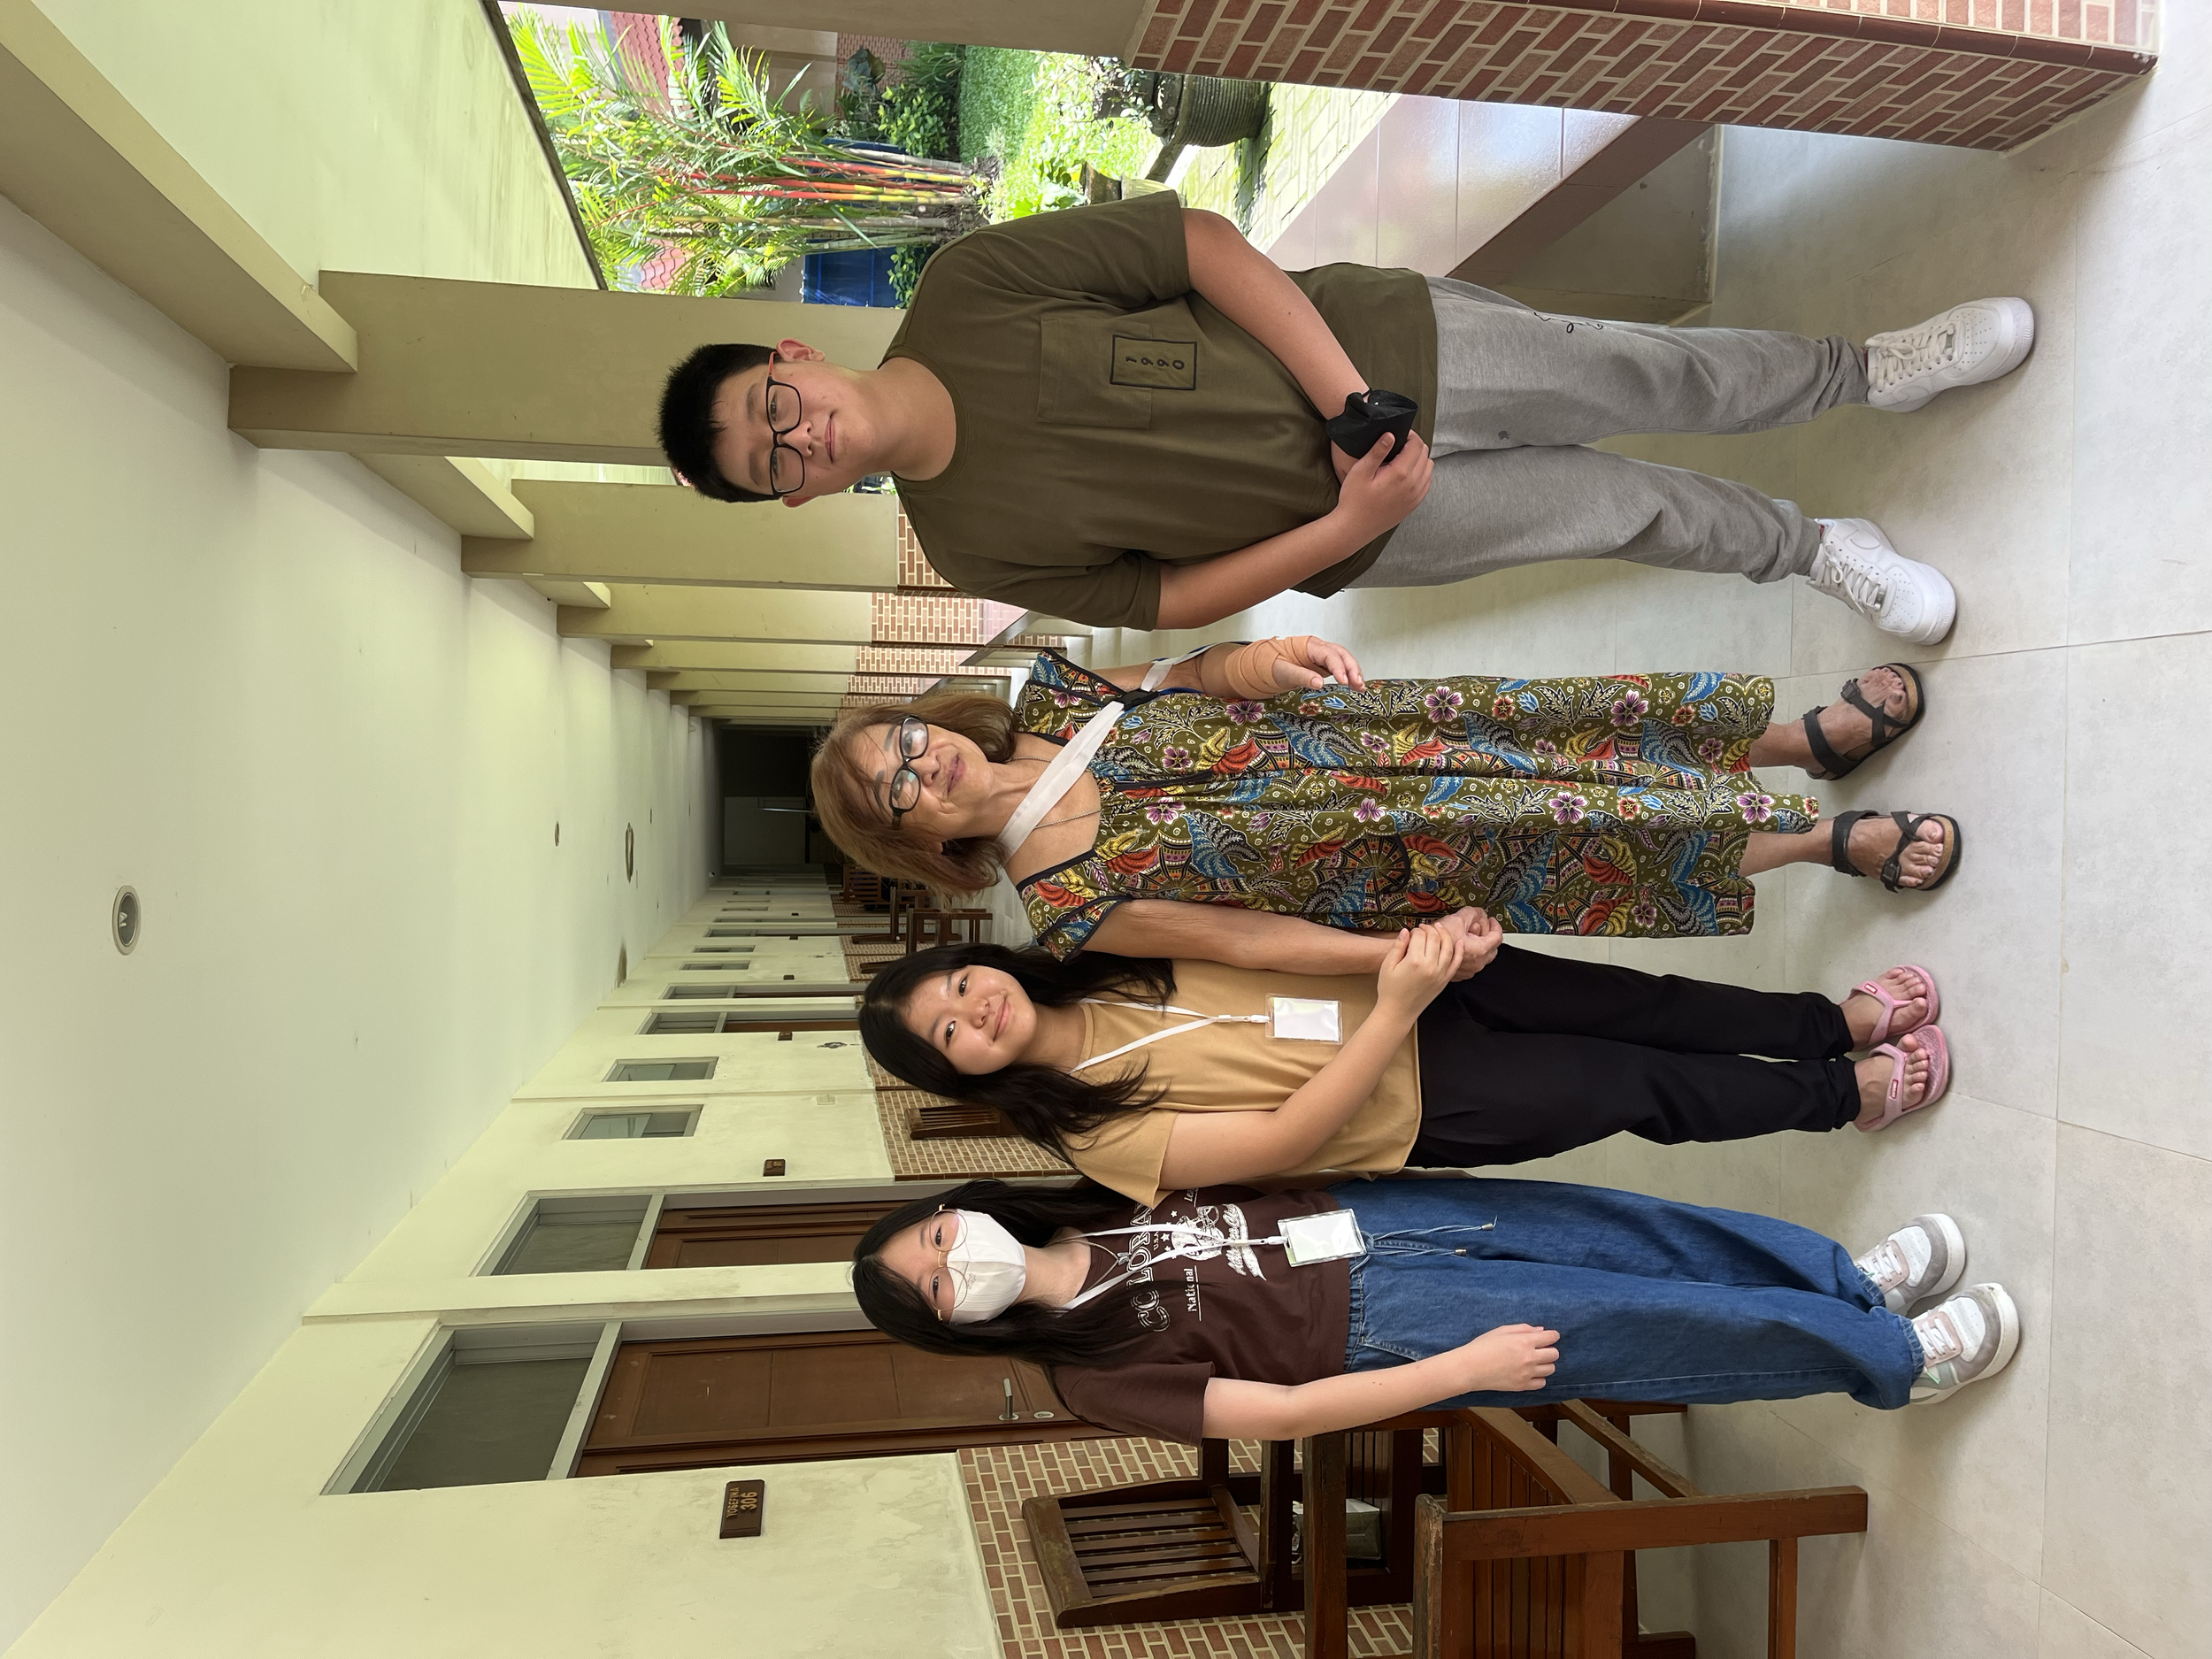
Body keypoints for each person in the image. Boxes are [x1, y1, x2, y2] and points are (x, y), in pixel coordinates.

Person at [657, 191, 2033, 640]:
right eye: (773, 457)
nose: (799, 433)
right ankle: (1814, 547)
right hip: (1372, 527)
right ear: (790, 493)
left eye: (776, 403)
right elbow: (1170, 596)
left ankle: (1868, 368)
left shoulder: (968, 286)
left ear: (797, 355)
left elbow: (1195, 244)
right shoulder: (964, 552)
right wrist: (1344, 524)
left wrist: (1350, 401)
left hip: (1386, 347)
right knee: (1624, 510)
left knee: (1643, 376)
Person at [810, 636, 1959, 966]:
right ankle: (1819, 843)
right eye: (895, 788)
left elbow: (1184, 678)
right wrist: (1389, 961)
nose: (922, 764)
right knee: (1606, 842)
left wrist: (1257, 661)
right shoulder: (1064, 900)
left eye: (904, 739)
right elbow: (1243, 937)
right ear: (909, 837)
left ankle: (1804, 741)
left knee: (1587, 723)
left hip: (1387, 726)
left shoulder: (1051, 692)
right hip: (1395, 861)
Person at [852, 1178, 2021, 1443]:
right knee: (1651, 1324)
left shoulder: (1087, 1205)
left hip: (1378, 1218)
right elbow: (1280, 1412)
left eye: (941, 1235)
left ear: (962, 1206)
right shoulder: (1089, 1374)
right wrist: (1460, 1363)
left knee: (1628, 1232)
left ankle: (1845, 1282)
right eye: (939, 1284)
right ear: (954, 1324)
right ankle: (1893, 1356)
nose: (962, 1259)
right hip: (1388, 1323)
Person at [861, 933, 1947, 1205]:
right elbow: (1283, 1144)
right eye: (949, 1035)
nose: (973, 1010)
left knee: (1640, 1002)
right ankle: (1837, 1097)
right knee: (1635, 1084)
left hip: (1427, 986)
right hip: (1426, 1099)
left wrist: (1406, 956)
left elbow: (1260, 944)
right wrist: (1393, 1011)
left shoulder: (1103, 958)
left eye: (955, 985)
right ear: (961, 1077)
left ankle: (1833, 1022)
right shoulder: (1093, 1137)